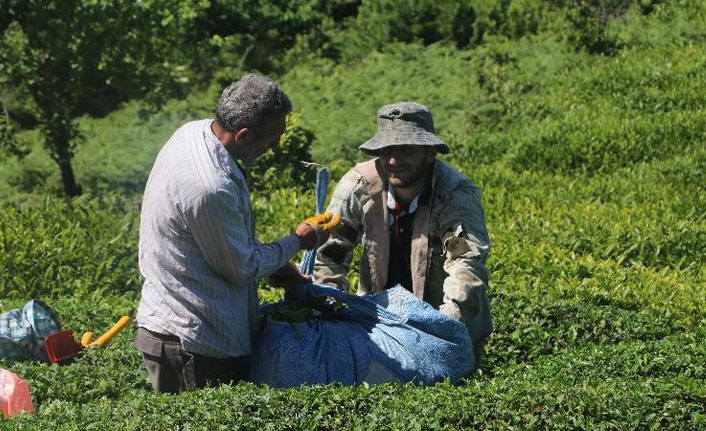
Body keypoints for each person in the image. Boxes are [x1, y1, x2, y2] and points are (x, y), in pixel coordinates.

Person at [134, 74, 339, 393]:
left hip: (191, 334)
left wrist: (275, 265)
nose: (276, 145)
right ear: (243, 135)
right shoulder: (209, 186)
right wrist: (298, 241)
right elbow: (240, 268)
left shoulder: (194, 132)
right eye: (274, 136)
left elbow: (219, 240)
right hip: (192, 345)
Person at [313, 102, 492, 369]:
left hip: (443, 323)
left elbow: (465, 266)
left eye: (406, 150)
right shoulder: (358, 186)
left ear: (430, 153)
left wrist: (444, 327)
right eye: (386, 150)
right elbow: (330, 255)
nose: (393, 161)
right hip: (377, 323)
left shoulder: (455, 195)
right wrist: (330, 313)